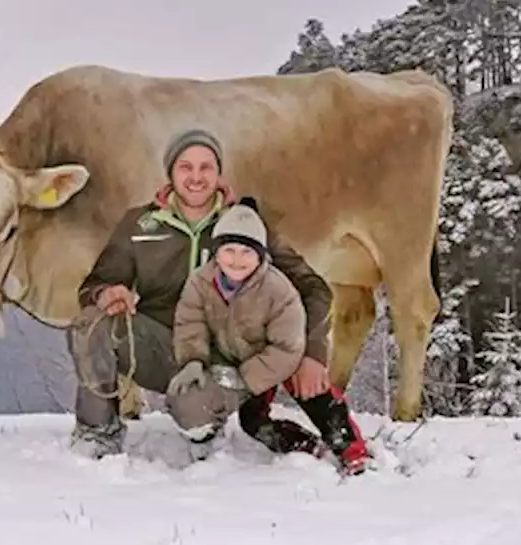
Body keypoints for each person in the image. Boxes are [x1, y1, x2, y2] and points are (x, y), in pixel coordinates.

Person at [69, 127, 336, 459]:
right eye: (186, 167)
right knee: (90, 323)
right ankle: (98, 433)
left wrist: (312, 351)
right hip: (164, 349)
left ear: (218, 172)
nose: (196, 177)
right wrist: (108, 293)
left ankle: (205, 417)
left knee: (193, 409)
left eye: (206, 167)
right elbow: (93, 286)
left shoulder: (244, 224)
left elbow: (312, 287)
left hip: (230, 363)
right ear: (170, 172)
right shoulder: (140, 225)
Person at [168, 201, 371, 474]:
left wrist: (310, 355)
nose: (236, 259)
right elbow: (189, 322)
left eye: (246, 253)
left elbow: (291, 337)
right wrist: (193, 360)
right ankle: (304, 446)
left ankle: (351, 449)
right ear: (216, 252)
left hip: (282, 352)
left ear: (261, 255)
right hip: (247, 356)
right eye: (228, 251)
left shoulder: (277, 287)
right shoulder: (201, 282)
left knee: (316, 395)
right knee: (252, 421)